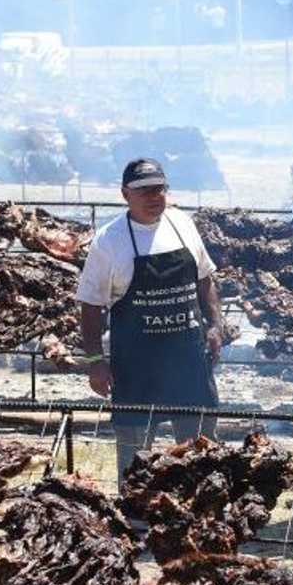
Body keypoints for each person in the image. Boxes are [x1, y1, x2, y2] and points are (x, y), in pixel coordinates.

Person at [77, 158, 226, 481]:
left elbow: (205, 279)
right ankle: (134, 522)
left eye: (159, 188)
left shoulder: (182, 224)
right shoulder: (109, 241)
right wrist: (95, 362)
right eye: (143, 190)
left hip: (189, 363)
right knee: (135, 460)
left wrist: (215, 324)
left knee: (201, 454)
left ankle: (201, 519)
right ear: (124, 194)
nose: (153, 196)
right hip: (136, 368)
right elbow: (90, 306)